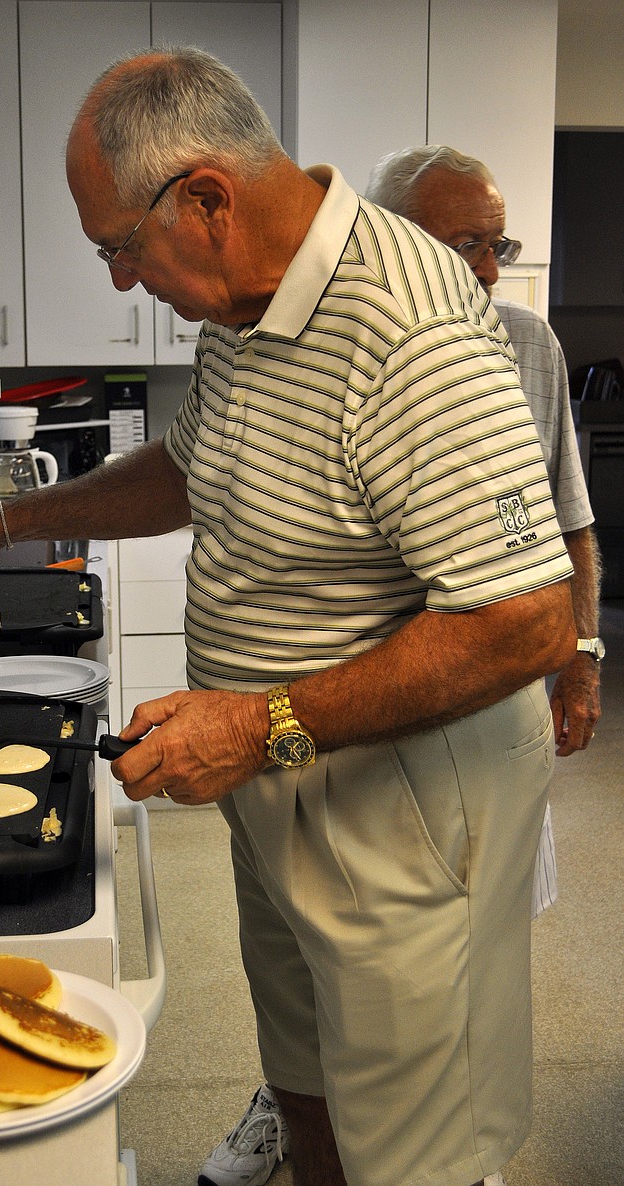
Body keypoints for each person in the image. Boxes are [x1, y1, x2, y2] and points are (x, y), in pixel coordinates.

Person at [0, 49, 577, 1186]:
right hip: (285, 774)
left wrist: (256, 725)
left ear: (206, 200)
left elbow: (524, 623)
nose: (122, 280)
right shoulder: (246, 309)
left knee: (413, 1153)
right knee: (306, 1084)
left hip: (398, 809)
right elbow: (191, 467)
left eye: (119, 245)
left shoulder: (408, 329)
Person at [205, 143, 605, 1186]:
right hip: (318, 744)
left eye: (495, 243)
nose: (483, 265)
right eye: (459, 241)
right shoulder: (301, 338)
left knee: (462, 972)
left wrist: (584, 662)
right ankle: (309, 1109)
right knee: (314, 992)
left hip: (460, 731)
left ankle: (451, 1143)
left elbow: (568, 527)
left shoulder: (525, 347)